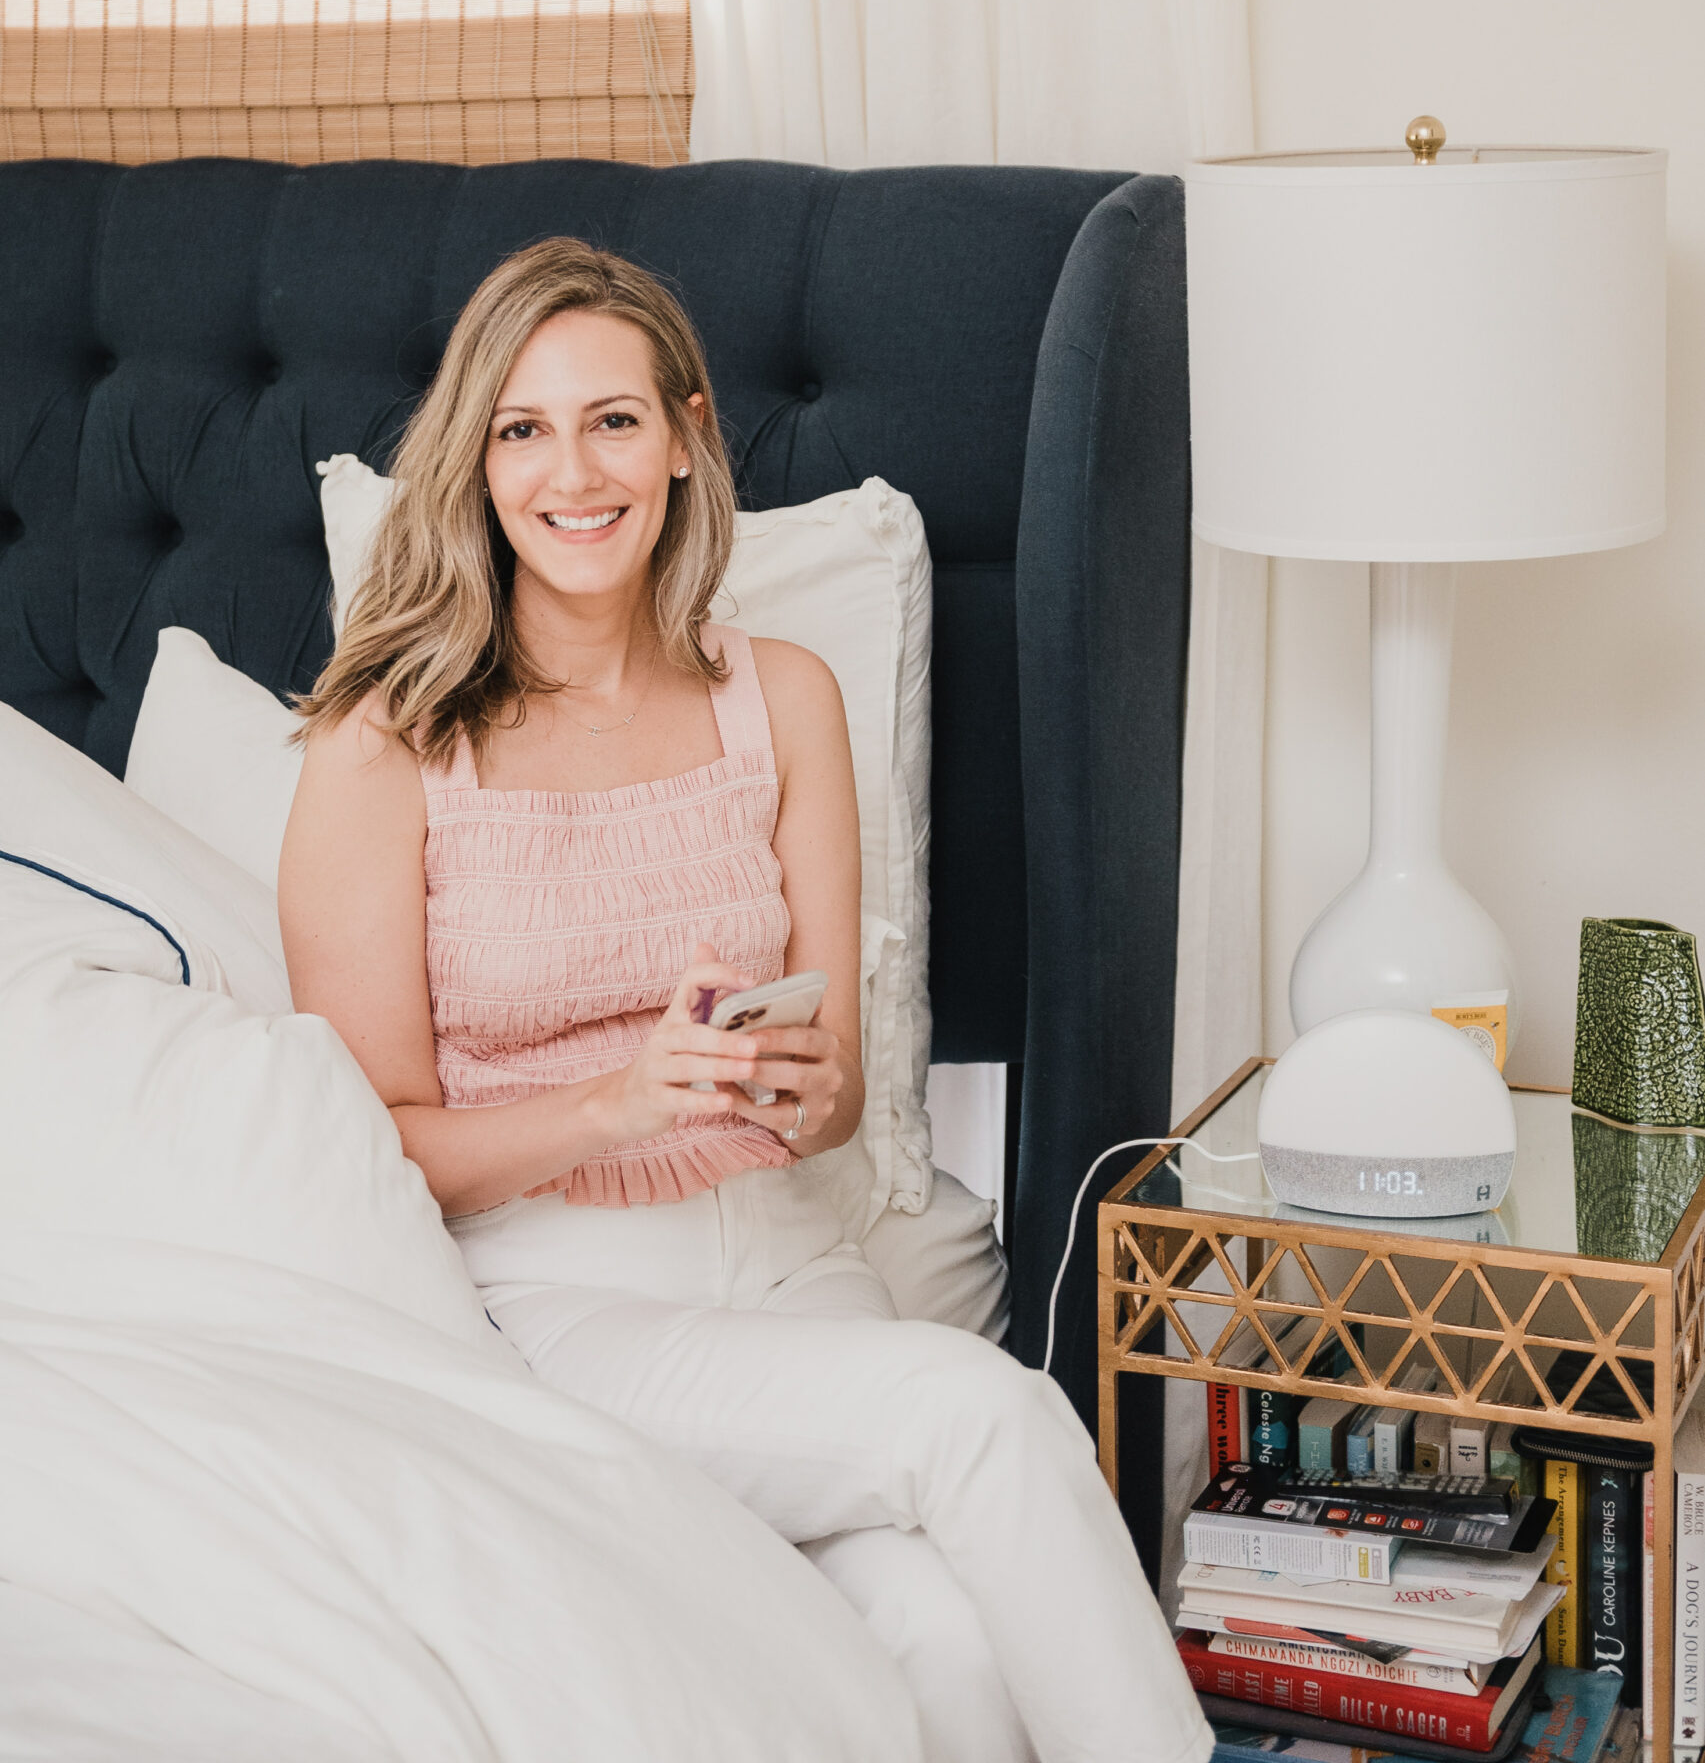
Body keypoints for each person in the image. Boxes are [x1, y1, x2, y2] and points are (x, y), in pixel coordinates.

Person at [281, 236, 1208, 1763]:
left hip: (789, 1259)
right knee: (982, 1414)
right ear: (474, 463)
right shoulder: (382, 747)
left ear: (687, 439)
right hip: (552, 1298)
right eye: (522, 429)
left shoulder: (781, 695)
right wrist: (613, 1101)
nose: (573, 472)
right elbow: (366, 1142)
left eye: (613, 420)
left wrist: (789, 1084)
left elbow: (833, 1079)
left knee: (947, 1645)